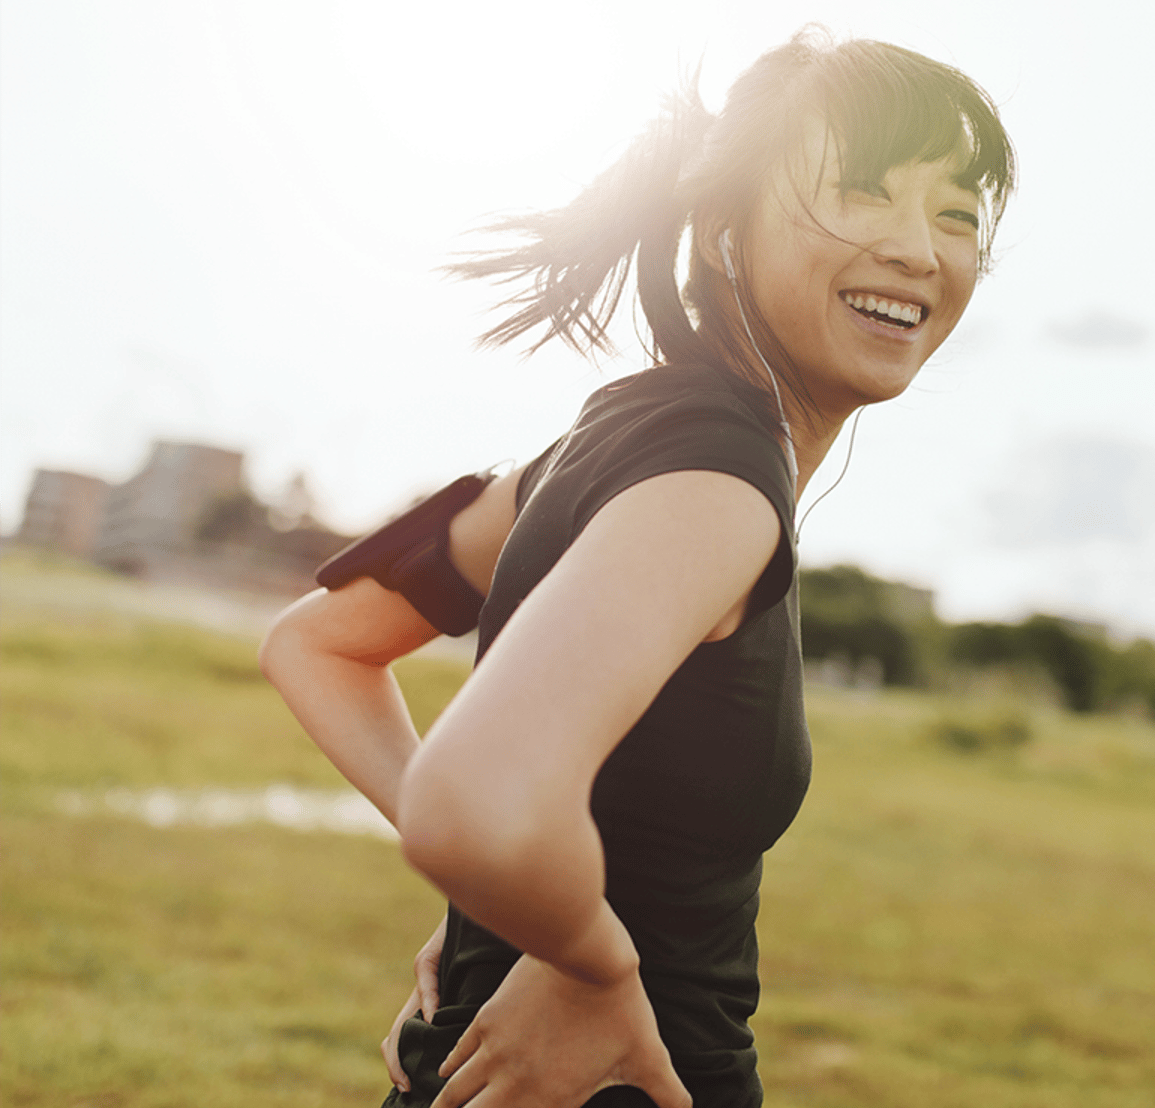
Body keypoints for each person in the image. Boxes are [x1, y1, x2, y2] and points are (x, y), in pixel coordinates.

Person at [258, 28, 1014, 1108]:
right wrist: (588, 964)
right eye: (860, 193)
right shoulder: (716, 487)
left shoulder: (600, 443)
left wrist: (511, 899)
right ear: (724, 237)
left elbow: (315, 643)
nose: (915, 249)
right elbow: (468, 798)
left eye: (955, 213)